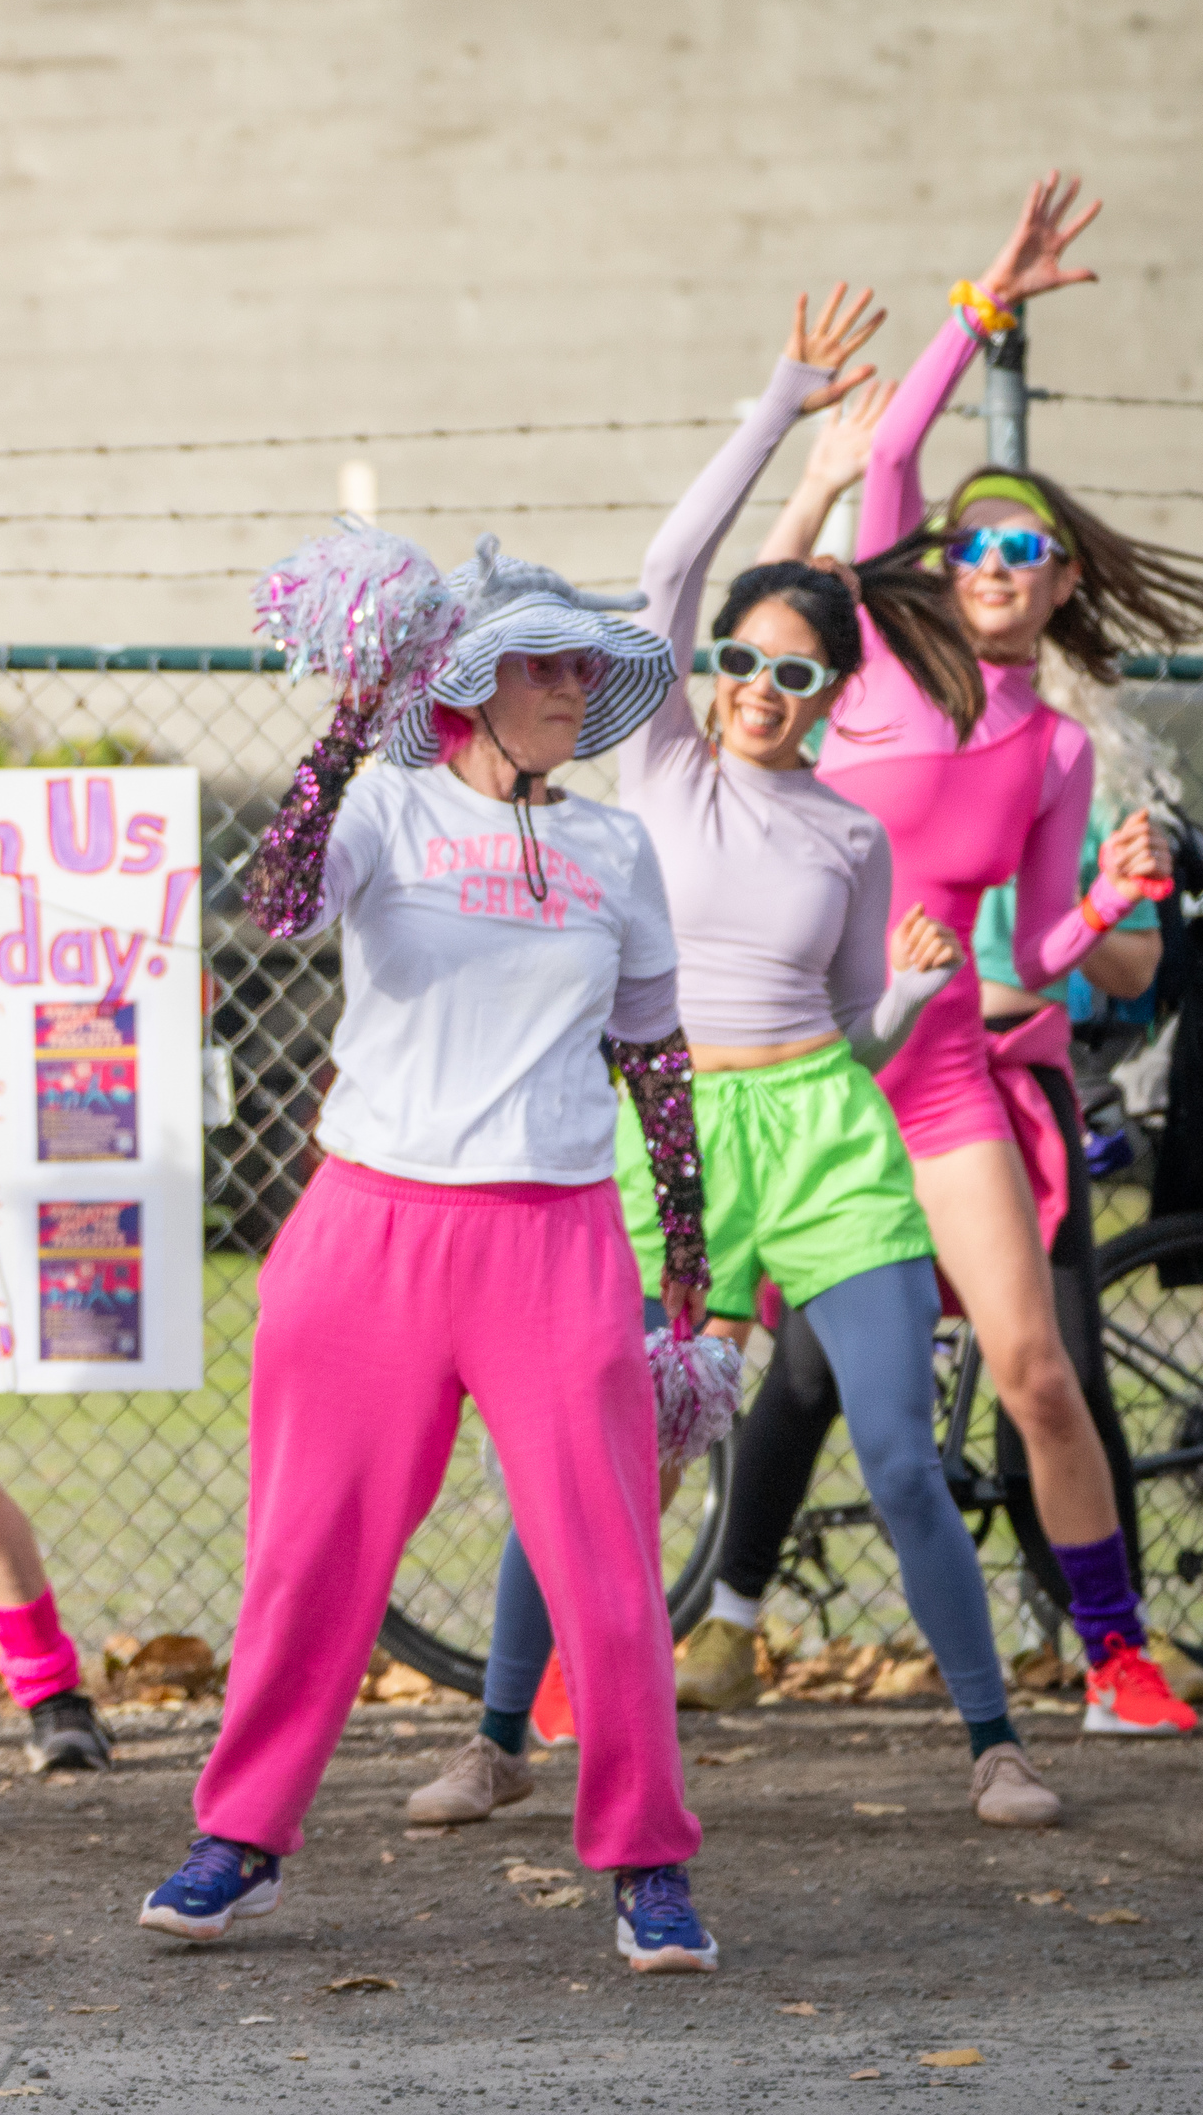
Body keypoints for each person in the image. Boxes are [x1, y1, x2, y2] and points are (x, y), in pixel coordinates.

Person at [408, 287, 1071, 1834]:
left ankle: (996, 1743)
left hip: (827, 1133)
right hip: (663, 1131)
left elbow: (843, 1025)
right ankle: (502, 1737)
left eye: (796, 678)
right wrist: (779, 407)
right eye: (743, 664)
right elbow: (663, 568)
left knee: (905, 1454)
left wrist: (905, 1011)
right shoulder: (660, 762)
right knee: (600, 1456)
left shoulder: (849, 833)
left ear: (837, 699)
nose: (760, 692)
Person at [143, 519, 722, 1974]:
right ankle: (243, 1841)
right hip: (369, 1232)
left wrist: (689, 1255)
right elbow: (275, 898)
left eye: (589, 664)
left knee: (606, 1568)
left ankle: (648, 1862)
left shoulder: (616, 844)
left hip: (558, 1239)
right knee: (309, 1555)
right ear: (468, 682)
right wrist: (349, 723)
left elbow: (655, 1056)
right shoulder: (389, 808)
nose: (573, 684)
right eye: (544, 662)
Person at [740, 173, 1203, 1737]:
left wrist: (1112, 901)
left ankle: (1113, 1657)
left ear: (1065, 577)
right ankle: (573, 1662)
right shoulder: (880, 648)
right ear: (942, 566)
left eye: (1027, 544)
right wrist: (982, 304)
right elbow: (888, 450)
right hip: (797, 1061)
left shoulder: (1058, 758)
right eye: (974, 541)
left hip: (940, 1072)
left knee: (1035, 1370)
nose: (995, 560)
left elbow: (1029, 946)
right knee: (673, 1365)